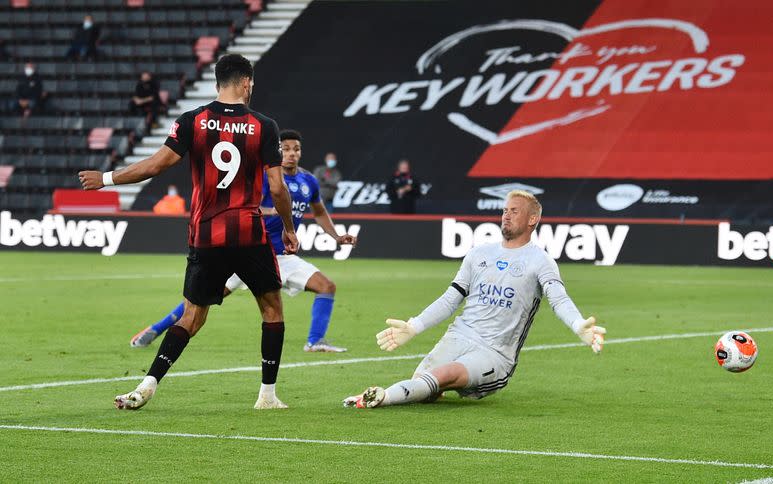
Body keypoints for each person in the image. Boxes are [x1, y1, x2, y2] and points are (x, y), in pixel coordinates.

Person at [78, 54, 298, 410]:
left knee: (192, 315)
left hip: (206, 234)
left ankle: (147, 385)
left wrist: (105, 179)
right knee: (272, 309)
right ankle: (267, 396)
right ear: (247, 83)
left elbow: (156, 165)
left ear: (216, 83)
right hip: (248, 233)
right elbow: (277, 188)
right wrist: (288, 229)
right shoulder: (264, 126)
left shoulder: (192, 120)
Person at [343, 190, 606, 408]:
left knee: (443, 375)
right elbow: (450, 299)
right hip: (458, 336)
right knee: (425, 387)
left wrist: (577, 324)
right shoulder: (479, 253)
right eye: (505, 210)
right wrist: (413, 326)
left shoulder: (541, 261)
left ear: (532, 219)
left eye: (515, 211)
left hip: (494, 353)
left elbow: (558, 299)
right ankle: (390, 394)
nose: (507, 215)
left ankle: (379, 397)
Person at [130, 130, 356, 353]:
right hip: (252, 254)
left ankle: (315, 341)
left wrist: (336, 236)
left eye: (295, 149)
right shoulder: (267, 176)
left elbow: (318, 212)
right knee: (201, 300)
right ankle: (156, 329)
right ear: (278, 150)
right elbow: (246, 204)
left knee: (326, 287)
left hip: (284, 257)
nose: (291, 154)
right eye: (285, 149)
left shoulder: (309, 181)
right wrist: (274, 210)